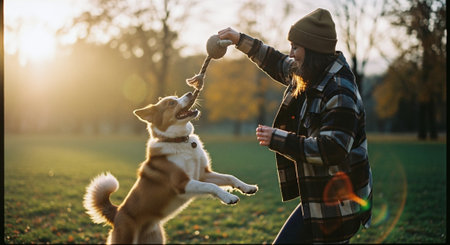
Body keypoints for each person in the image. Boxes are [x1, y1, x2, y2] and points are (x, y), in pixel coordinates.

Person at [218, 8, 372, 244]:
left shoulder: (340, 90)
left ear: (313, 51)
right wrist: (239, 39)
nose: (291, 54)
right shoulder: (310, 72)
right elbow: (276, 61)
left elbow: (333, 148)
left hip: (339, 206)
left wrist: (278, 138)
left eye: (296, 47)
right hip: (317, 198)